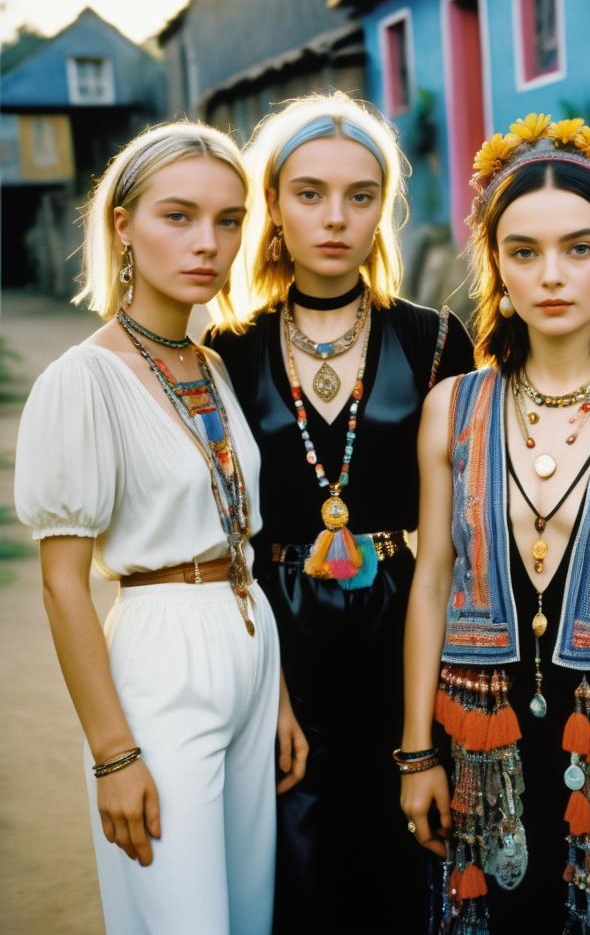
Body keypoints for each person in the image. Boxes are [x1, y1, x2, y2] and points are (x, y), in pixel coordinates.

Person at [399, 114, 590, 934]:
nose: (552, 275)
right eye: (524, 251)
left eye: (579, 247)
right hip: (476, 736)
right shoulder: (450, 409)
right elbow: (431, 581)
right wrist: (416, 753)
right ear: (496, 264)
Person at [14, 122, 306, 935]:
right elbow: (61, 582)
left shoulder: (211, 363)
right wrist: (114, 754)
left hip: (249, 650)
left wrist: (273, 694)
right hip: (161, 657)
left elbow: (237, 542)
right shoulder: (85, 380)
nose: (207, 243)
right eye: (177, 216)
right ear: (122, 225)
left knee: (248, 916)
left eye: (228, 219)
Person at [207, 93, 474, 934]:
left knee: (405, 849)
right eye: (309, 193)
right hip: (275, 632)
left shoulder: (436, 340)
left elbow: (466, 521)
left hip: (405, 621)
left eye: (361, 195)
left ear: (383, 208)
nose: (335, 217)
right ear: (273, 206)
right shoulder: (227, 345)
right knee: (295, 852)